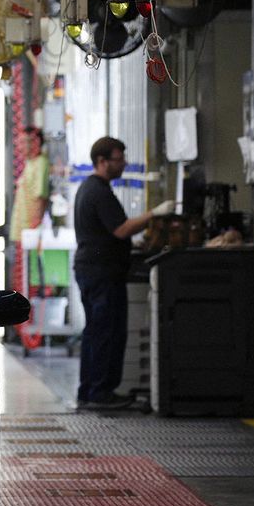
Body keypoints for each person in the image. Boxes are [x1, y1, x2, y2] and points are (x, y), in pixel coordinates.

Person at [73, 137, 173, 410]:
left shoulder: (90, 188)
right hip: (101, 274)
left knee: (96, 332)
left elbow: (109, 232)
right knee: (107, 333)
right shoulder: (99, 192)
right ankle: (100, 394)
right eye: (119, 159)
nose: (124, 164)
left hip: (94, 271)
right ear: (103, 161)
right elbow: (121, 229)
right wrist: (154, 213)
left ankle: (90, 391)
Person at [9, 126, 51, 243]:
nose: (19, 147)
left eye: (22, 142)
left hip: (32, 231)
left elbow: (40, 197)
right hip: (25, 232)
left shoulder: (41, 163)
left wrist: (33, 230)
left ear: (34, 142)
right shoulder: (29, 163)